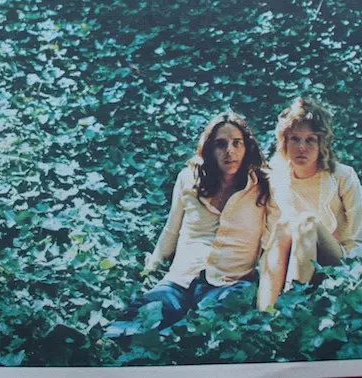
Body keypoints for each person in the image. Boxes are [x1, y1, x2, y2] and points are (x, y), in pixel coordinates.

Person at [106, 111, 279, 336]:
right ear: (209, 149)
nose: (229, 151)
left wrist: (267, 294)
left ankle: (171, 338)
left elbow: (272, 242)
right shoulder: (188, 179)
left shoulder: (264, 185)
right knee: (146, 311)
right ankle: (105, 343)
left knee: (209, 321)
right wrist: (152, 267)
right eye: (221, 144)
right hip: (182, 280)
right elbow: (171, 230)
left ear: (247, 147)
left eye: (237, 143)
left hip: (229, 283)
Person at [257, 97, 362, 311]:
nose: (301, 147)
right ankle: (266, 315)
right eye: (295, 139)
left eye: (310, 140)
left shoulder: (343, 176)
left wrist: (355, 283)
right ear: (284, 142)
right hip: (292, 264)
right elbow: (272, 244)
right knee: (283, 227)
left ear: (322, 144)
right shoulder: (276, 178)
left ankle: (291, 309)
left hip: (338, 266)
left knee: (307, 222)